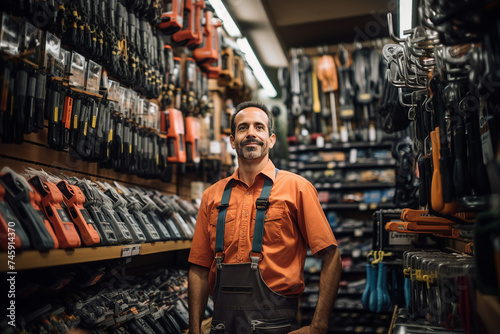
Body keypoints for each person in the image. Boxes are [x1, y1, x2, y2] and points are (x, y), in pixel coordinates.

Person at [188, 101, 342, 334]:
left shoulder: (297, 188)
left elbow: (331, 255)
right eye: (243, 128)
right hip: (222, 325)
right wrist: (194, 328)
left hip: (277, 325)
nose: (251, 133)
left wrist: (319, 325)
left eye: (259, 127)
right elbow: (199, 268)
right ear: (232, 141)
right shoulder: (212, 195)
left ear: (271, 140)